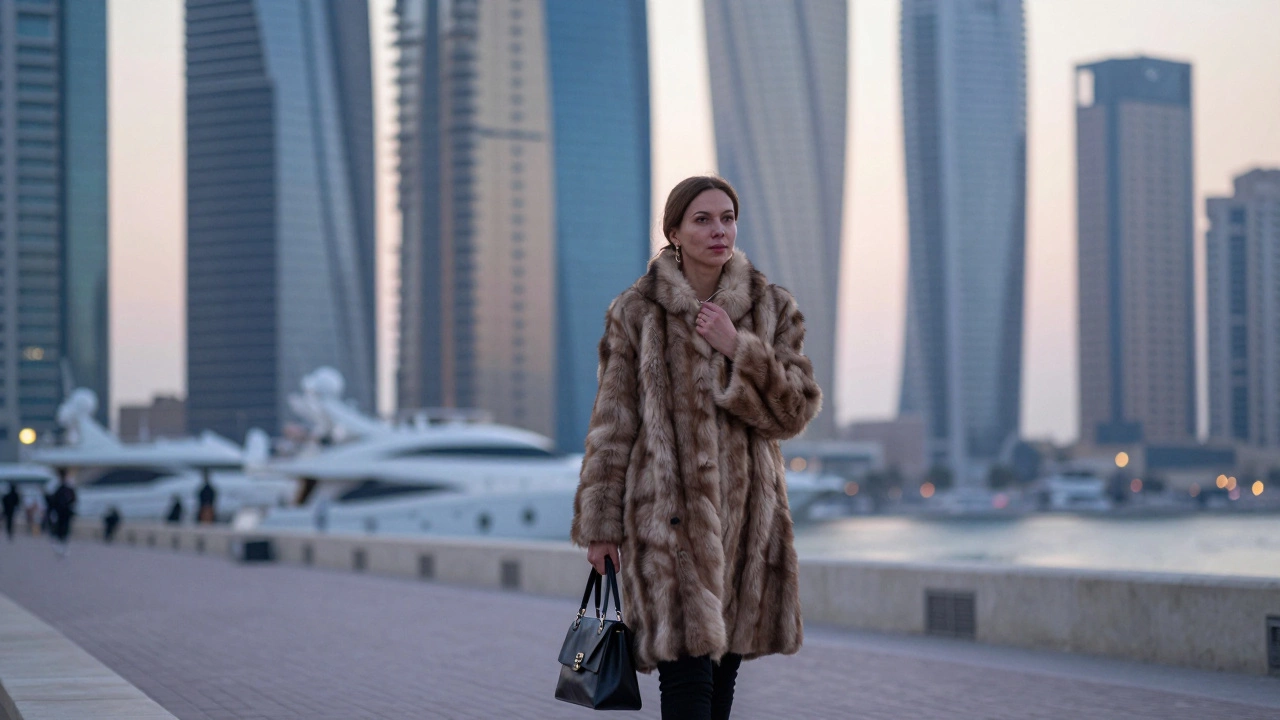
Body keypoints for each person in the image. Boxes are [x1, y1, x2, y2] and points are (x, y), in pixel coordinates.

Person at [571, 176, 822, 720]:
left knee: (719, 690)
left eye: (727, 218)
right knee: (687, 688)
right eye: (703, 219)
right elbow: (613, 425)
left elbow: (795, 411)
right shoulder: (637, 312)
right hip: (667, 526)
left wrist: (739, 348)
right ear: (674, 232)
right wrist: (600, 527)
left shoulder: (772, 308)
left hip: (745, 529)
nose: (718, 230)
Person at [49, 472, 77, 558]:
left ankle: (62, 545)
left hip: (64, 514)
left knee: (63, 529)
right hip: (62, 513)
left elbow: (73, 500)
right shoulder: (62, 490)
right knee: (61, 529)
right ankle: (61, 545)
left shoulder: (64, 490)